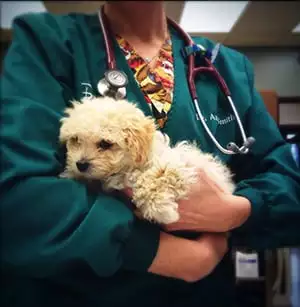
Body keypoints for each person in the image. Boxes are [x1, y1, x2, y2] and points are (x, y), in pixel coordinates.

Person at [1, 1, 299, 307]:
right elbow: (16, 194)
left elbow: (288, 186)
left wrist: (236, 211)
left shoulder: (226, 66)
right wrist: (155, 252)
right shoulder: (48, 43)